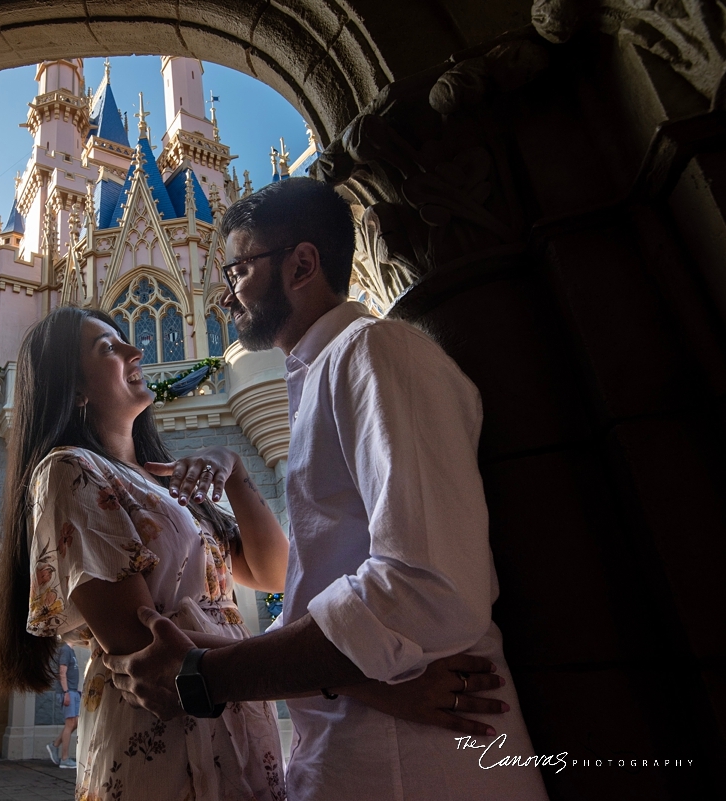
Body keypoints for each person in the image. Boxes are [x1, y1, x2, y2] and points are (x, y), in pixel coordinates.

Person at [104, 177, 551, 801]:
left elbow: (426, 585)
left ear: (302, 264)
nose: (225, 298)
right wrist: (361, 680)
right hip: (354, 750)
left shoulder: (375, 352)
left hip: (412, 766)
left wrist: (210, 673)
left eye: (237, 270)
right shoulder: (322, 373)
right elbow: (322, 596)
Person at [0, 304, 507, 801]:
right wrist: (357, 679)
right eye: (107, 347)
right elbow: (147, 647)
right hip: (162, 732)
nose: (134, 350)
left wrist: (235, 473)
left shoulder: (162, 482)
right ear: (74, 386)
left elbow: (273, 570)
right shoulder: (69, 470)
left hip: (235, 707)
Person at [45, 640, 81, 769]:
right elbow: (62, 672)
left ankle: (54, 745)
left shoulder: (71, 650)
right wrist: (66, 692)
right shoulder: (65, 650)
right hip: (68, 692)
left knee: (75, 723)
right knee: (70, 723)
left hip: (73, 691)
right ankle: (65, 758)